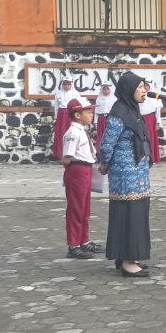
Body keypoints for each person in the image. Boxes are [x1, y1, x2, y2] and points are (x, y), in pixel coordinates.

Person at [97, 72, 154, 278]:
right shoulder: (119, 112)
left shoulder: (132, 110)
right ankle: (129, 263)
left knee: (137, 214)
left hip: (138, 174)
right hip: (125, 177)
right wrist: (104, 163)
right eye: (140, 87)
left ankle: (128, 256)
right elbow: (107, 144)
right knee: (130, 215)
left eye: (144, 87)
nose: (144, 90)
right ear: (129, 89)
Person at [61, 97, 100, 259]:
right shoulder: (73, 133)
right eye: (88, 112)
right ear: (77, 114)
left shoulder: (81, 130)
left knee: (85, 209)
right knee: (76, 209)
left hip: (86, 169)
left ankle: (84, 240)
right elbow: (66, 158)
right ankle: (74, 244)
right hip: (77, 169)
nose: (92, 114)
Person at [50, 78, 82, 162]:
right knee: (61, 134)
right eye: (65, 84)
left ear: (71, 84)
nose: (66, 86)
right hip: (61, 115)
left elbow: (79, 106)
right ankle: (61, 155)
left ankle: (73, 154)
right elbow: (56, 106)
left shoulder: (76, 93)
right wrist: (56, 117)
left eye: (68, 84)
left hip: (71, 114)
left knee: (72, 134)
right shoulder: (58, 93)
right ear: (62, 84)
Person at [139, 83, 163, 163]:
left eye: (147, 85)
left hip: (150, 118)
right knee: (141, 138)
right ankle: (143, 157)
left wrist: (158, 122)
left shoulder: (155, 95)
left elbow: (158, 110)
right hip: (140, 118)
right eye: (144, 85)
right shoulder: (139, 93)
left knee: (150, 138)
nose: (145, 87)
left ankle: (152, 158)